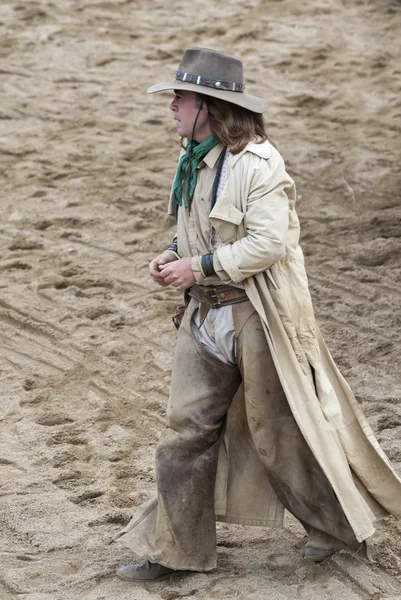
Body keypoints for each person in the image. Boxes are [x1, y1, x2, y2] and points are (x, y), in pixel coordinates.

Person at [112, 47, 401, 582]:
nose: (171, 105)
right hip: (207, 314)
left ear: (209, 105)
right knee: (183, 434)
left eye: (180, 96)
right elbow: (201, 227)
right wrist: (175, 251)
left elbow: (268, 243)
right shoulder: (194, 158)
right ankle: (177, 553)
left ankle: (339, 529)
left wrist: (197, 267)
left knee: (280, 434)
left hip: (255, 317)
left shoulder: (261, 165)